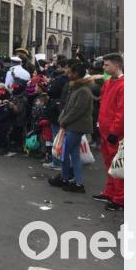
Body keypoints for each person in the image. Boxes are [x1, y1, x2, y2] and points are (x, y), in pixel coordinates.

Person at [48, 61, 94, 193]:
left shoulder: (83, 90)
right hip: (72, 125)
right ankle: (74, 181)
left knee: (65, 153)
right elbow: (69, 107)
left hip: (75, 126)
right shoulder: (77, 88)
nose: (67, 74)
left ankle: (67, 179)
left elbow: (76, 110)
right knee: (73, 155)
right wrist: (63, 118)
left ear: (76, 73)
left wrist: (63, 120)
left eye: (70, 72)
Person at [94, 53, 124, 211]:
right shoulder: (108, 83)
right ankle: (110, 192)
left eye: (107, 65)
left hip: (114, 134)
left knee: (117, 165)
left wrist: (114, 131)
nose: (104, 67)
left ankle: (120, 198)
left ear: (116, 65)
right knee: (109, 164)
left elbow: (122, 112)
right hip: (105, 131)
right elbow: (103, 105)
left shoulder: (123, 85)